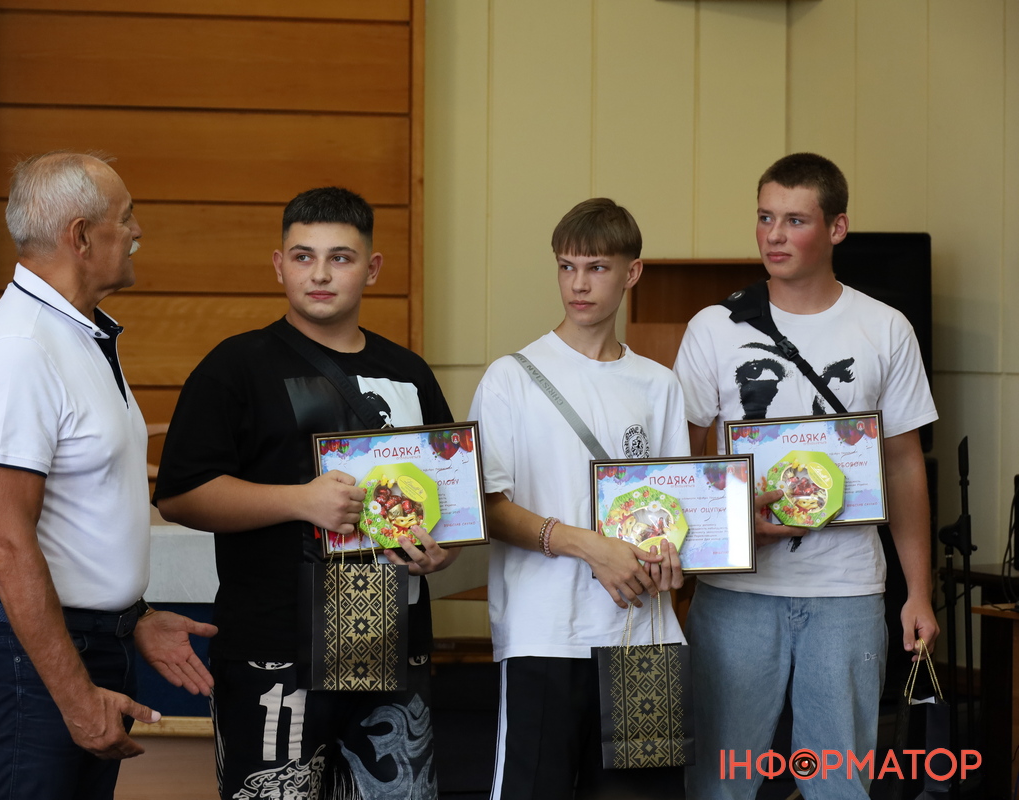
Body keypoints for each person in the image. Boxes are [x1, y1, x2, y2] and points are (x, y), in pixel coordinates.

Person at [154, 186, 459, 799]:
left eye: (340, 258)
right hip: (274, 648)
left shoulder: (409, 373)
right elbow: (180, 495)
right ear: (279, 265)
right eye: (303, 256)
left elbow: (448, 501)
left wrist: (441, 550)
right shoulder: (234, 367)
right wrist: (300, 500)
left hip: (390, 641)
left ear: (372, 268)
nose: (320, 274)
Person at [0, 151, 218, 800]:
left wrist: (132, 616)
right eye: (125, 218)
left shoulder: (72, 335)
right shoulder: (20, 351)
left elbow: (79, 512)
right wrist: (73, 695)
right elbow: (5, 542)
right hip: (34, 656)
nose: (137, 231)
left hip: (83, 642)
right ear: (80, 236)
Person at [672, 152, 940, 799]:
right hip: (735, 594)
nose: (774, 235)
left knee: (838, 785)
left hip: (848, 592)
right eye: (765, 217)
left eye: (795, 220)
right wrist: (733, 526)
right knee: (719, 784)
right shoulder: (714, 327)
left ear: (836, 228)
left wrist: (919, 592)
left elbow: (904, 463)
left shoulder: (885, 328)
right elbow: (683, 463)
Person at [468, 198, 690, 800]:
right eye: (567, 267)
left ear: (631, 272)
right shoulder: (511, 377)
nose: (578, 285)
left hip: (644, 636)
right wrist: (589, 547)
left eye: (596, 268)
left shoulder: (659, 384)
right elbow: (485, 507)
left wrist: (673, 558)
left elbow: (674, 509)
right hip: (543, 633)